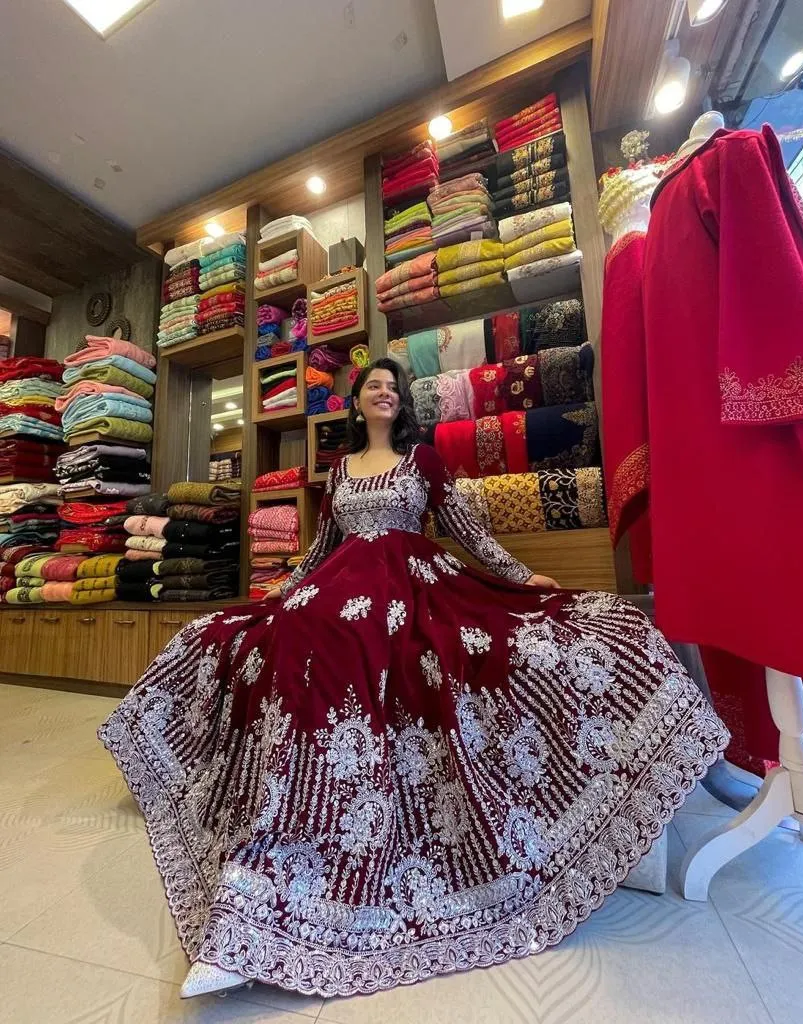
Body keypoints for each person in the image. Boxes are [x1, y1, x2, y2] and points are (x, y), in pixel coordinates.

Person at [99, 357, 727, 1000]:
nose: (384, 393)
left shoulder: (422, 460)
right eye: (374, 385)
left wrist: (517, 576)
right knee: (278, 642)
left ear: (403, 406)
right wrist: (281, 591)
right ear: (355, 400)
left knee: (431, 651)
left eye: (394, 388)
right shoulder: (339, 471)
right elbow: (321, 550)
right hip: (340, 583)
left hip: (413, 583)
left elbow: (466, 531)